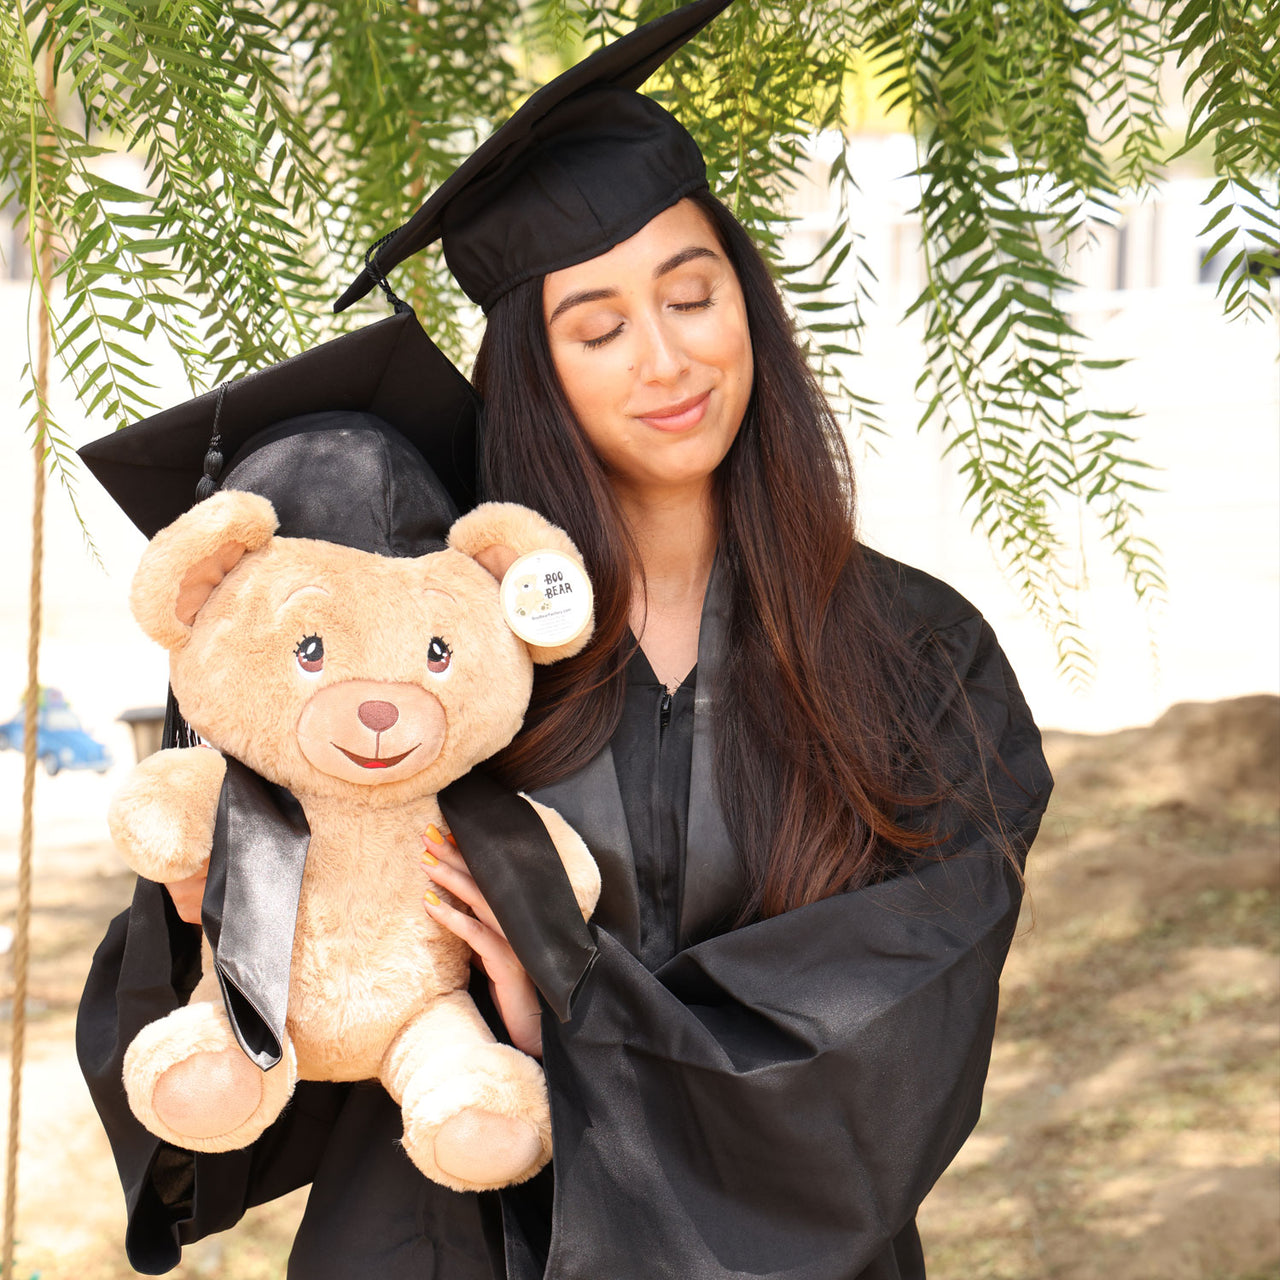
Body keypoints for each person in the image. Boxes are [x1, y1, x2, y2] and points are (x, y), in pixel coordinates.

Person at [77, 2, 1053, 1277]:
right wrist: (237, 920)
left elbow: (901, 1015)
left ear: (745, 306)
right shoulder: (440, 645)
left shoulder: (912, 656)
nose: (665, 357)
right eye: (596, 327)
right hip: (437, 1240)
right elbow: (291, 1029)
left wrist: (570, 1020)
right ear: (536, 367)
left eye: (691, 296)